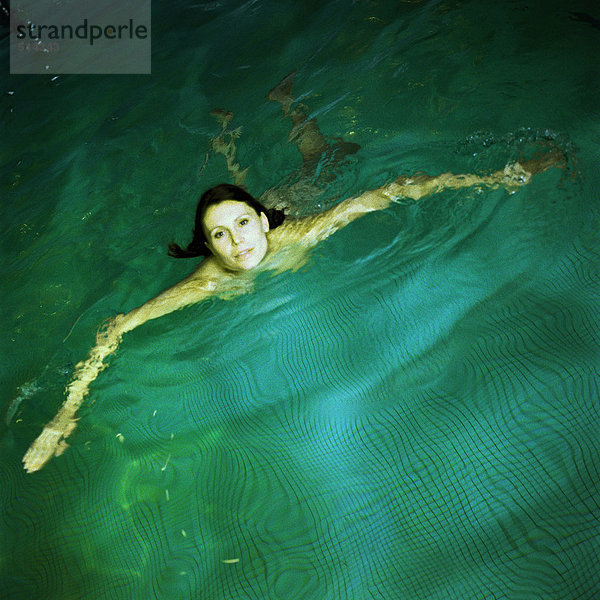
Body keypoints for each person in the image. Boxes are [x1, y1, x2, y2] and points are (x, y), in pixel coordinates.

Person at [22, 74, 564, 473]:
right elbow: (116, 327)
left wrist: (500, 177)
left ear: (259, 221)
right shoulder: (209, 281)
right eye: (220, 235)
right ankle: (233, 140)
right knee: (262, 176)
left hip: (295, 204)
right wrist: (63, 415)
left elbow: (391, 190)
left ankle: (287, 104)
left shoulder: (295, 232)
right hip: (269, 208)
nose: (238, 243)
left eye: (242, 224)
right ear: (207, 247)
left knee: (322, 161)